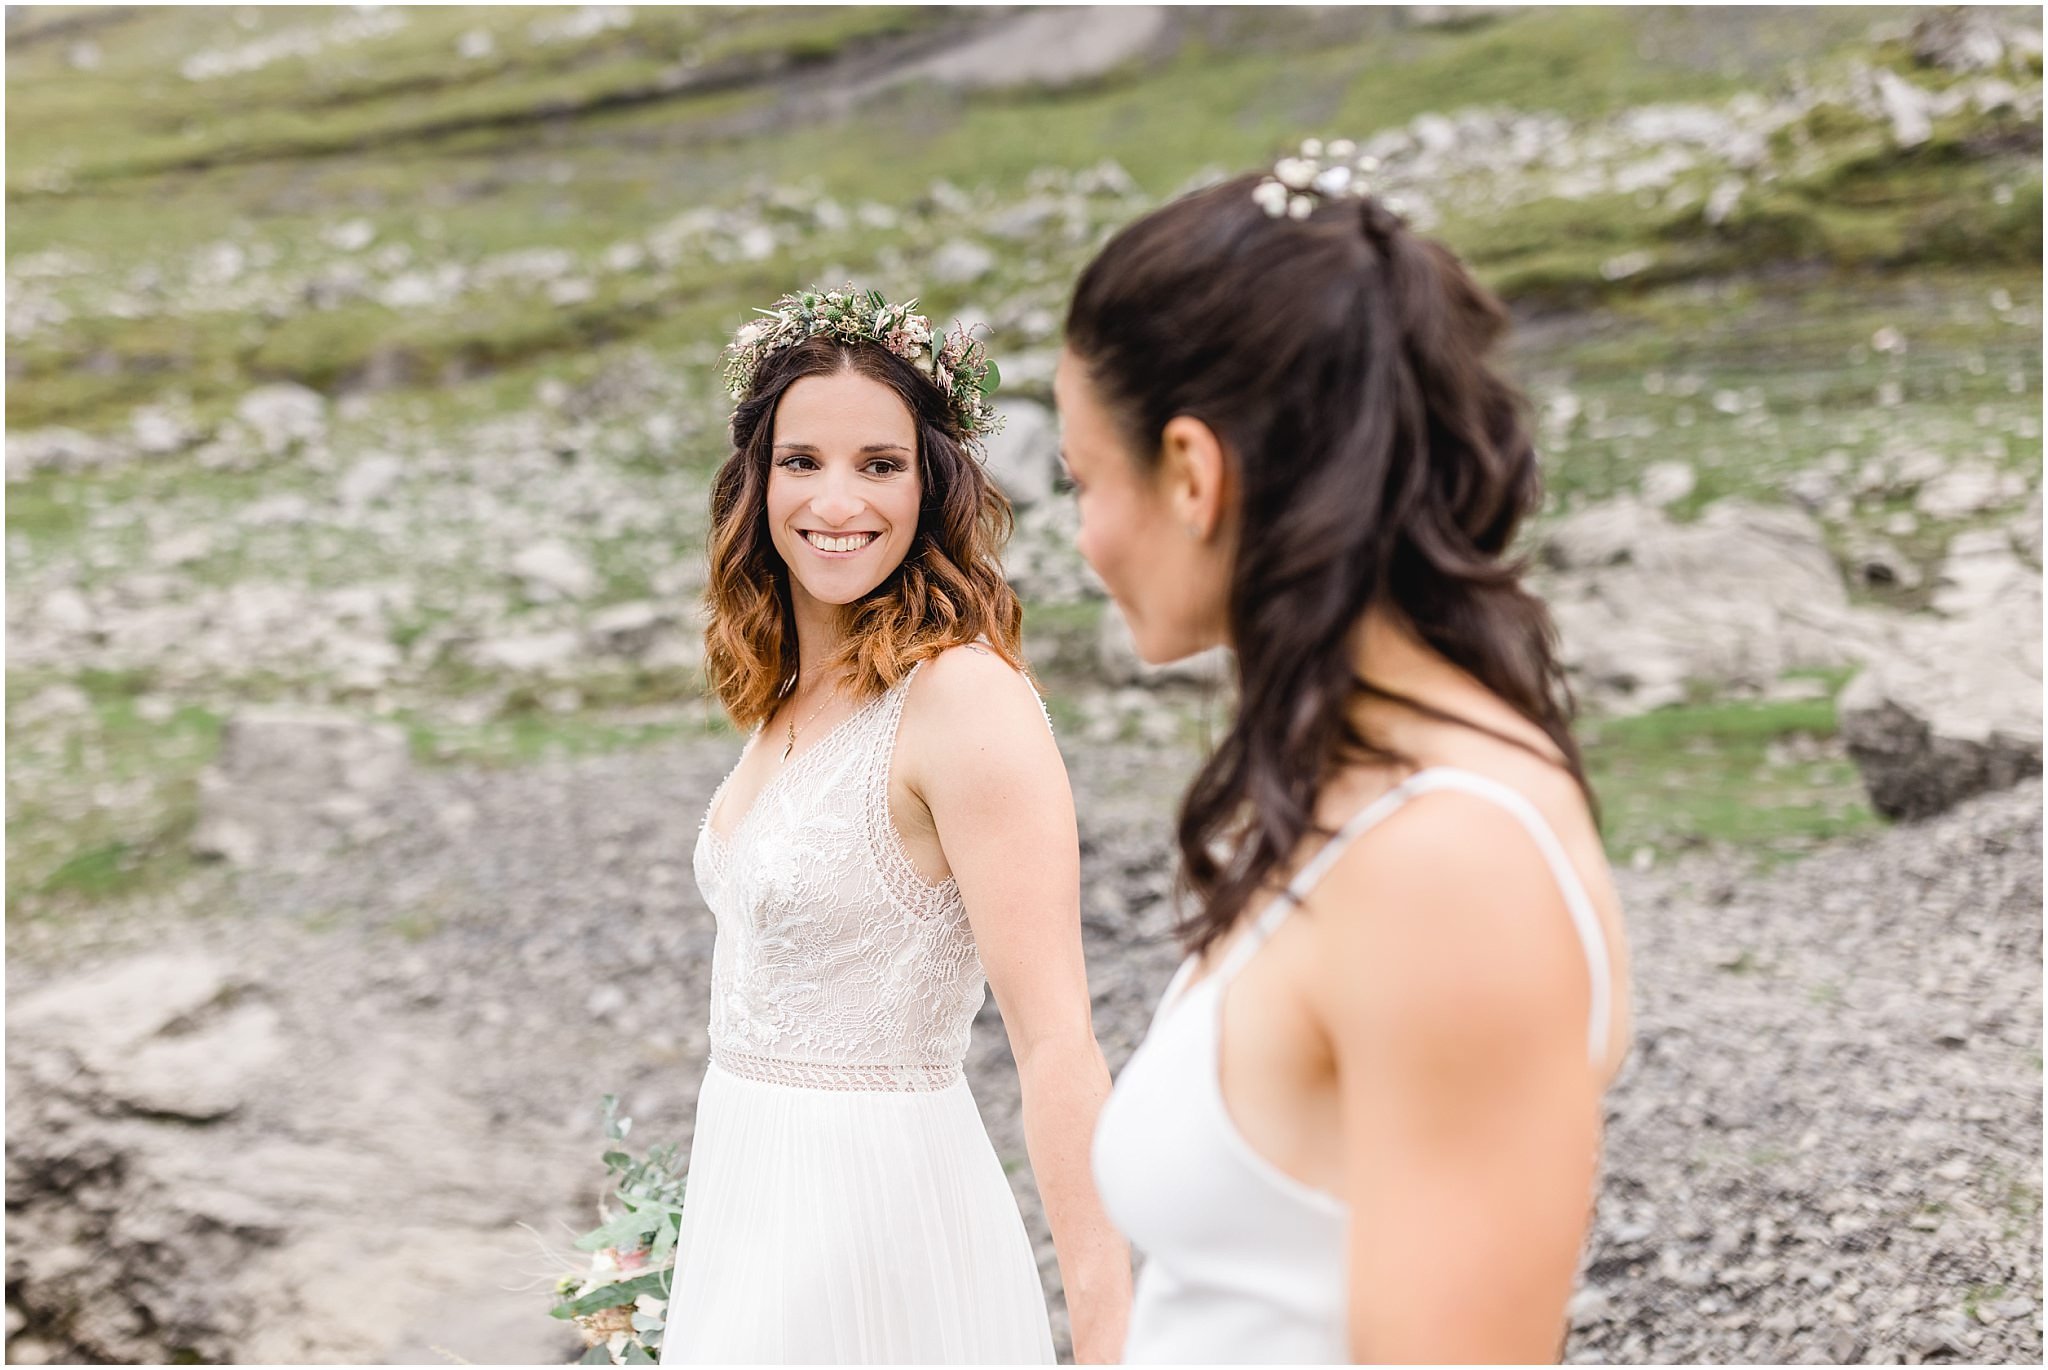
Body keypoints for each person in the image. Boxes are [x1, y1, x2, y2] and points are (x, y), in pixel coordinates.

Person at [1065, 147, 1633, 1363]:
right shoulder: (1356, 785)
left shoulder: (1449, 862)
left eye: (1081, 480)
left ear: (1190, 472)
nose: (1081, 540)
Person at [660, 287, 1130, 1364]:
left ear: (931, 484)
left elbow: (1057, 1040)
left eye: (879, 464)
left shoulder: (963, 698)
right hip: (748, 1207)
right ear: (755, 482)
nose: (837, 500)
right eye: (801, 461)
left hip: (878, 1224)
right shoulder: (785, 692)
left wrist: (1109, 1337)